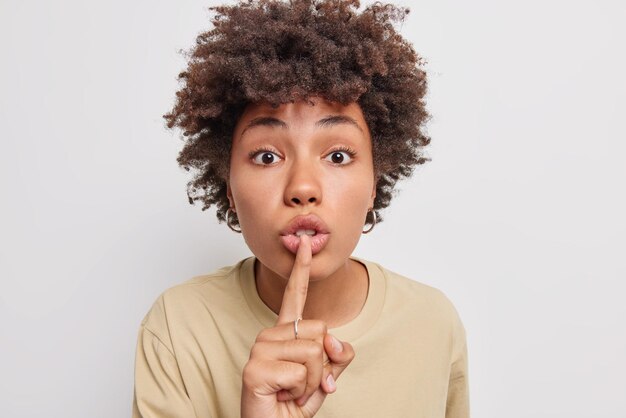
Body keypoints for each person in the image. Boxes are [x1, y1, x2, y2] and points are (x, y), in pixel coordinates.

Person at [132, 0, 469, 417]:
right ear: (229, 190)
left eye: (339, 156)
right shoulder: (179, 326)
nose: (303, 188)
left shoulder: (432, 322)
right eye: (267, 157)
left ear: (374, 186)